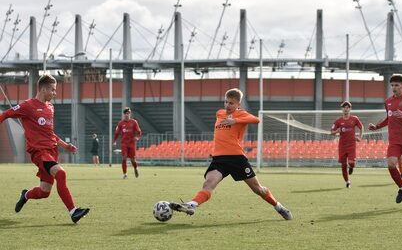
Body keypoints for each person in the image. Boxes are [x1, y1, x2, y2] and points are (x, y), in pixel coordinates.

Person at [169, 88, 293, 220]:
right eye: (226, 102)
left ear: (238, 104)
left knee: (258, 189)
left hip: (236, 158)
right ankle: (192, 204)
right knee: (208, 184)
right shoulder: (219, 113)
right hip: (219, 159)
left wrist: (236, 121)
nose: (227, 105)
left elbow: (256, 120)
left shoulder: (241, 114)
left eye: (231, 103)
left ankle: (279, 207)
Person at [0, 75, 90, 223]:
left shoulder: (50, 107)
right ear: (43, 89)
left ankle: (26, 195)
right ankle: (73, 212)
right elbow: (5, 114)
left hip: (52, 152)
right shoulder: (27, 106)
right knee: (61, 174)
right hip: (39, 152)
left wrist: (65, 145)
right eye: (53, 90)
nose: (55, 93)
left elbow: (49, 133)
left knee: (44, 192)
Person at [368, 75, 402, 208]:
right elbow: (389, 118)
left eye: (397, 85)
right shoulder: (388, 101)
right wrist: (377, 126)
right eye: (392, 85)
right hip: (394, 141)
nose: (394, 88)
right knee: (391, 165)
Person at [331, 101, 364, 188]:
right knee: (343, 165)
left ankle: (352, 167)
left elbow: (361, 127)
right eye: (344, 107)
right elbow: (331, 132)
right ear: (342, 109)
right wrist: (337, 131)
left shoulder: (354, 119)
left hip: (352, 144)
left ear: (350, 109)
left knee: (351, 163)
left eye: (347, 107)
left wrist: (360, 137)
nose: (346, 109)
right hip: (342, 145)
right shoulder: (338, 121)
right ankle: (347, 181)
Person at [113, 107, 142, 179]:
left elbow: (139, 132)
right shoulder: (121, 123)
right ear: (124, 114)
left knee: (133, 160)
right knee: (124, 158)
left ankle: (135, 168)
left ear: (130, 114)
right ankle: (125, 174)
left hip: (132, 143)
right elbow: (116, 133)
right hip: (124, 143)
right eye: (126, 113)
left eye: (128, 113)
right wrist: (114, 141)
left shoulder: (134, 122)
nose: (127, 115)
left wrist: (137, 137)